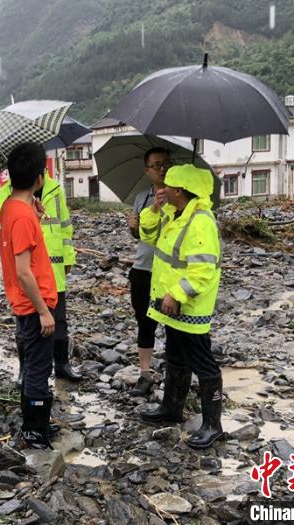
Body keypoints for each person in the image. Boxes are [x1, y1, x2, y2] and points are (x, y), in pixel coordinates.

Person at [138, 164, 223, 449]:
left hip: (189, 307)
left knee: (203, 363)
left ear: (178, 190)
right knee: (175, 356)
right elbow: (147, 237)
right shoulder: (174, 214)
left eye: (167, 185)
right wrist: (152, 211)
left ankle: (213, 424)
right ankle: (171, 408)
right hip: (171, 306)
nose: (161, 188)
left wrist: (176, 294)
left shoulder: (200, 221)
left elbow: (202, 270)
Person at [0, 159, 81, 386]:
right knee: (32, 333)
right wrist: (29, 217)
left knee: (59, 324)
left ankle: (61, 365)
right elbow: (11, 233)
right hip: (31, 279)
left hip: (53, 271)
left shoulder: (54, 191)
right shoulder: (9, 198)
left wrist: (68, 257)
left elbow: (65, 227)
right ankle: (28, 374)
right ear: (37, 175)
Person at [0, 142, 57, 450]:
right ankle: (34, 432)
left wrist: (33, 203)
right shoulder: (21, 217)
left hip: (25, 304)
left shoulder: (11, 207)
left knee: (34, 364)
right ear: (39, 176)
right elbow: (23, 271)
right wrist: (44, 311)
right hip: (34, 306)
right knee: (37, 369)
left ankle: (38, 424)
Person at [127, 147, 171, 396]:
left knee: (174, 325)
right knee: (144, 322)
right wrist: (134, 226)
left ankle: (176, 375)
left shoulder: (180, 198)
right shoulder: (142, 198)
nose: (162, 168)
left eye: (166, 164)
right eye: (156, 165)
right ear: (147, 171)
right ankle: (145, 372)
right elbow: (138, 236)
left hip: (169, 273)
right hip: (143, 268)